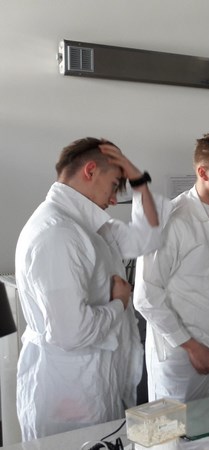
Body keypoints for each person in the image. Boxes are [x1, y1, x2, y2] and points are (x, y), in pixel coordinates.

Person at [15, 137, 168, 440]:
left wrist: (139, 181)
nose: (113, 200)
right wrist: (120, 303)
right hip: (70, 387)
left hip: (92, 377)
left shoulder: (88, 226)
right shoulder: (57, 234)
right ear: (90, 171)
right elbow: (72, 333)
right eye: (113, 186)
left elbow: (148, 237)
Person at [134, 133, 209, 402]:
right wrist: (189, 345)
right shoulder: (171, 221)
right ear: (203, 172)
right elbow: (146, 295)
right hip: (180, 352)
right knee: (177, 425)